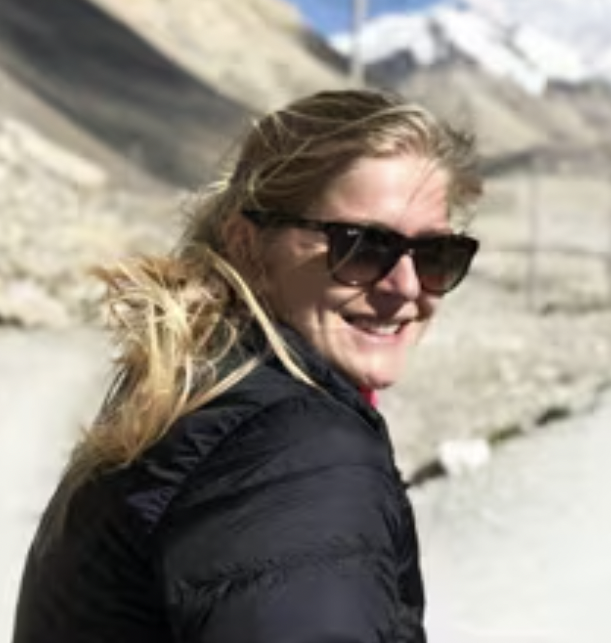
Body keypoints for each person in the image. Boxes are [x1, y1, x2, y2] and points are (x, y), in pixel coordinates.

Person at [14, 88, 483, 643]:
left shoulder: (199, 392)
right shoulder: (292, 454)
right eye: (361, 246)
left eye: (435, 256)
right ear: (249, 245)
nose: (406, 288)